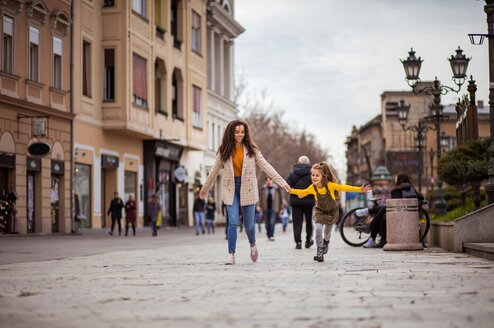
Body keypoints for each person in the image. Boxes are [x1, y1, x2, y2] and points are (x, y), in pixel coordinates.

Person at [199, 120, 291, 265]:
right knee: (233, 222)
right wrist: (205, 188)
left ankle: (253, 245)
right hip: (231, 189)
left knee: (249, 225)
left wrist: (283, 183)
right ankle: (231, 254)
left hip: (248, 188)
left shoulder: (252, 149)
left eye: (242, 132)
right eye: (236, 132)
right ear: (231, 132)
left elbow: (266, 166)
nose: (240, 135)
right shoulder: (224, 150)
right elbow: (214, 171)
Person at [290, 161, 371, 262]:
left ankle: (326, 242)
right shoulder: (313, 188)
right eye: (313, 175)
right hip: (320, 211)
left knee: (327, 233)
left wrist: (360, 189)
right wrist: (291, 190)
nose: (314, 177)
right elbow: (302, 192)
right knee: (318, 230)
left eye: (317, 175)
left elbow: (344, 187)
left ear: (323, 176)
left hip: (331, 212)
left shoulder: (330, 185)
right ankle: (319, 252)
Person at [363, 173, 423, 248]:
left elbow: (394, 203)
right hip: (406, 213)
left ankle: (375, 236)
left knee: (382, 213)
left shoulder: (397, 189)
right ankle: (369, 212)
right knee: (382, 211)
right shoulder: (411, 188)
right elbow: (420, 197)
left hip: (398, 214)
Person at [286, 155, 315, 249]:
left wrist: (296, 193)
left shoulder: (292, 173)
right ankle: (308, 241)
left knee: (297, 222)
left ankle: (298, 242)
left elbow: (287, 186)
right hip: (309, 201)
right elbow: (316, 186)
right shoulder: (312, 174)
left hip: (296, 202)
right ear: (308, 163)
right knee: (309, 221)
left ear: (298, 163)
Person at [259, 177, 283, 241]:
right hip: (265, 208)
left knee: (272, 222)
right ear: (265, 182)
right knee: (267, 223)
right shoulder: (263, 189)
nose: (268, 181)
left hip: (274, 208)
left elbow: (280, 199)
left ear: (272, 181)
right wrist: (258, 206)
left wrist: (281, 208)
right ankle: (268, 234)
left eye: (270, 180)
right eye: (267, 180)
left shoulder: (277, 189)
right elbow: (260, 198)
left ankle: (272, 235)